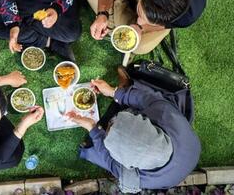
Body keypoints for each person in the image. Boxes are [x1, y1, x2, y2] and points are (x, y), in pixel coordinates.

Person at [68, 67, 201, 192]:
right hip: (185, 142)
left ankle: (127, 88)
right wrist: (113, 92)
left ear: (128, 163)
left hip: (177, 162)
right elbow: (146, 99)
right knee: (148, 97)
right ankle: (125, 88)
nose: (109, 123)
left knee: (95, 150)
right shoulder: (167, 115)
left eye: (108, 131)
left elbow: (108, 159)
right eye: (113, 123)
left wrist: (92, 128)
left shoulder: (133, 178)